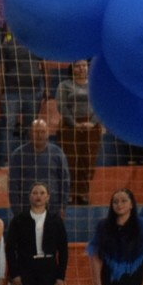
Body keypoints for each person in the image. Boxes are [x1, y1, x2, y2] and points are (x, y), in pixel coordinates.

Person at [5, 119, 71, 216]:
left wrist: (62, 206)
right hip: (26, 209)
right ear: (30, 133)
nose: (39, 135)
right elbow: (13, 185)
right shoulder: (18, 155)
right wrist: (17, 210)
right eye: (36, 131)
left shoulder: (58, 154)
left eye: (43, 131)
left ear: (48, 133)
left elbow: (65, 181)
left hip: (53, 209)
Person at [57, 60, 99, 205]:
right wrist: (74, 124)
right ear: (72, 68)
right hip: (70, 127)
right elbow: (62, 106)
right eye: (77, 66)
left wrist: (92, 122)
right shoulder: (64, 85)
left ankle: (83, 192)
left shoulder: (95, 84)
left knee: (87, 160)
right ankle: (69, 193)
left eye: (83, 65)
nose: (81, 68)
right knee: (70, 160)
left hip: (91, 127)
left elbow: (100, 105)